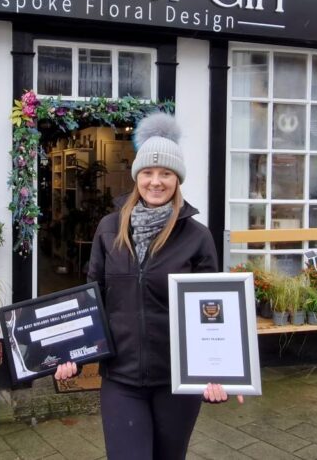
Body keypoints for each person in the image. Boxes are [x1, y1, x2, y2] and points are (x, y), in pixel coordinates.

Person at [55, 112, 242, 460]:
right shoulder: (109, 229)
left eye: (166, 173)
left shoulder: (197, 238)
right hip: (121, 380)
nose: (156, 182)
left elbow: (211, 312)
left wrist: (222, 372)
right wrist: (74, 354)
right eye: (148, 173)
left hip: (177, 382)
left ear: (177, 179)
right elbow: (91, 299)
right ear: (137, 176)